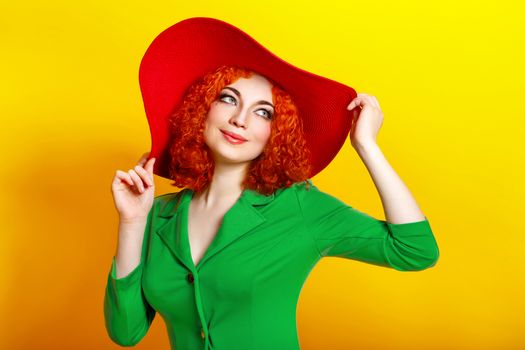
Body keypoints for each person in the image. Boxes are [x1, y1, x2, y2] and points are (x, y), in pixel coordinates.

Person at [104, 18, 440, 350]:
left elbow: (415, 250)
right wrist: (132, 223)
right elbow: (126, 331)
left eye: (263, 113)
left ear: (278, 134)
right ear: (201, 110)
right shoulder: (158, 214)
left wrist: (367, 145)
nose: (240, 120)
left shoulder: (299, 206)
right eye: (228, 99)